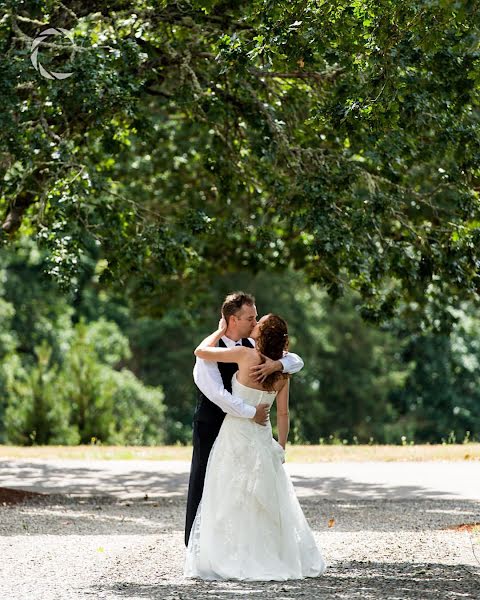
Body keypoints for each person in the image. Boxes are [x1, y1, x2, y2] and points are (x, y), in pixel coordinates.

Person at [184, 312, 327, 581]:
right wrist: (281, 447)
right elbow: (283, 414)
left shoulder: (245, 355)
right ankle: (265, 553)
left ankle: (227, 556)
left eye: (258, 322)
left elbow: (201, 352)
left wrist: (219, 330)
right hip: (263, 436)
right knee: (262, 499)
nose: (255, 322)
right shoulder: (283, 372)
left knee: (228, 493)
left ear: (261, 333)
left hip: (235, 434)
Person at [185, 291, 305, 547]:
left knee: (243, 488)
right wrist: (252, 413)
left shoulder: (253, 347)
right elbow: (217, 394)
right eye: (250, 317)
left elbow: (295, 359)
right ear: (232, 319)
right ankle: (196, 545)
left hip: (244, 427)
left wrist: (278, 366)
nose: (255, 322)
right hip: (213, 423)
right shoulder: (211, 351)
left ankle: (237, 544)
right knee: (205, 481)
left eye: (256, 317)